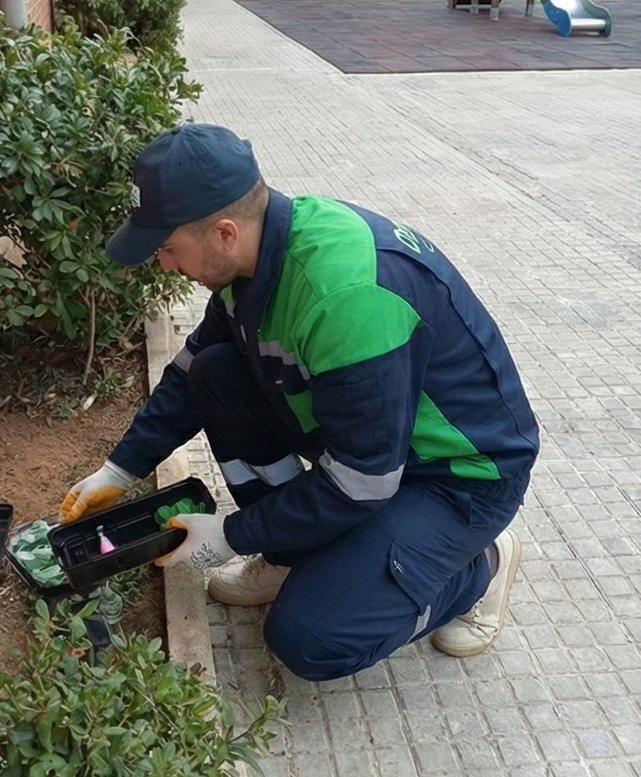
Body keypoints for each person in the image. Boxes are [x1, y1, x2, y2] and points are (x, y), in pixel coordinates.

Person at [59, 122, 539, 681]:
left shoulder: (345, 296)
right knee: (215, 374)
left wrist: (232, 536)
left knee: (310, 639)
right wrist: (118, 469)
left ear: (224, 232)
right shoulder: (258, 257)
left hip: (457, 478)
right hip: (379, 449)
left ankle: (476, 566)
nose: (164, 264)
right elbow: (190, 368)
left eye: (167, 247)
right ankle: (293, 556)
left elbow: (363, 481)